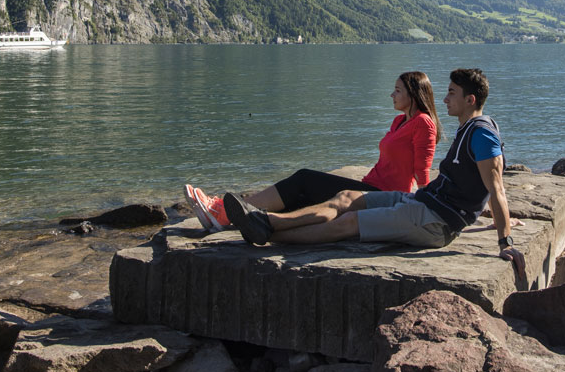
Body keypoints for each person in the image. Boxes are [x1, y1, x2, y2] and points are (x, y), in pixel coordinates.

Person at [222, 67, 525, 278]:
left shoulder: (482, 135)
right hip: (422, 203)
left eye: (452, 93)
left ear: (470, 100)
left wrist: (505, 241)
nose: (444, 99)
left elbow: (495, 187)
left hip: (435, 222)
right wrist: (487, 217)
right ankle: (265, 221)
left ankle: (269, 232)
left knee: (350, 222)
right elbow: (474, 189)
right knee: (346, 198)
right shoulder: (467, 130)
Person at [185, 71, 438, 232]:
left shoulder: (424, 123)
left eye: (397, 90)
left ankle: (222, 211)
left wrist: (425, 208)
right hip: (368, 187)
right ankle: (231, 217)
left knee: (305, 179)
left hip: (383, 196)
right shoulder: (399, 121)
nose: (391, 94)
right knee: (303, 199)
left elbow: (422, 171)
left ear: (414, 95)